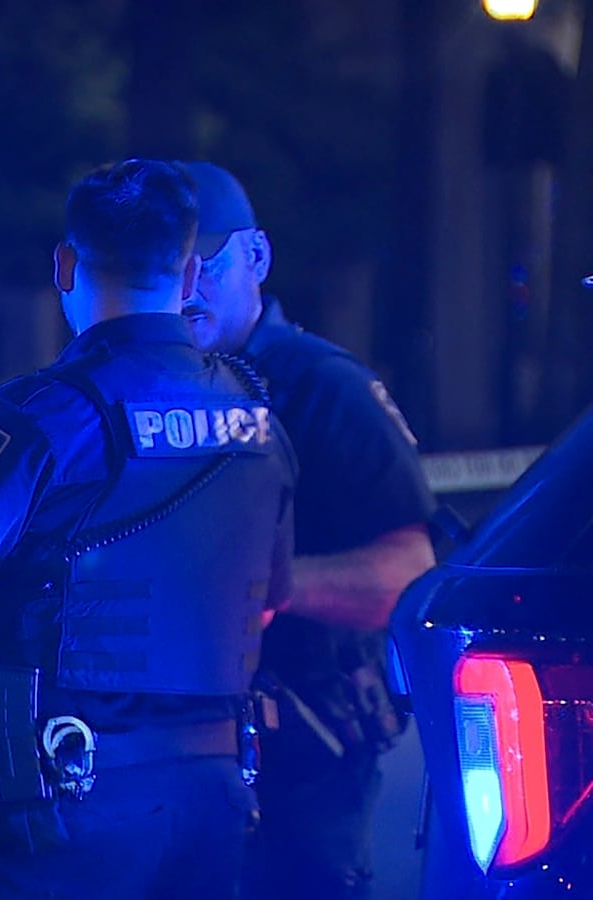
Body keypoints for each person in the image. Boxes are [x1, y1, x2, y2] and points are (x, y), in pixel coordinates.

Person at [0, 159, 298, 900]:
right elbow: (271, 595)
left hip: (66, 808)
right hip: (216, 799)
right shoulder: (257, 417)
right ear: (190, 271)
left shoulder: (38, 418)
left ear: (65, 263)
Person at [177, 162, 438, 900]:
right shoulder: (151, 388)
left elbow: (410, 576)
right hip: (172, 757)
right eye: (171, 266)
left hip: (302, 759)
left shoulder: (324, 387)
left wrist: (265, 587)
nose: (188, 285)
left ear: (255, 258)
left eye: (208, 261)